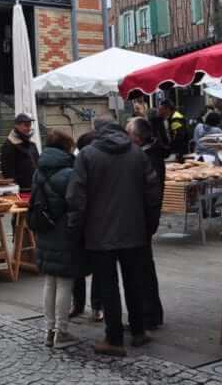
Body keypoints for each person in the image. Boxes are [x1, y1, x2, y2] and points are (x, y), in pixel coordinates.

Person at [67, 118, 161, 357]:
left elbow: (76, 198)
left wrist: (75, 232)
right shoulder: (137, 154)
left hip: (99, 234)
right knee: (134, 282)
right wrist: (149, 227)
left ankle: (115, 338)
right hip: (134, 232)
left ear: (97, 132)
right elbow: (152, 194)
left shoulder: (87, 155)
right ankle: (138, 331)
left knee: (108, 286)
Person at [31, 129, 80, 348]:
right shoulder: (69, 173)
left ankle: (48, 330)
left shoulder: (38, 171)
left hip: (44, 230)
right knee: (65, 281)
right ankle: (62, 332)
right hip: (63, 232)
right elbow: (76, 204)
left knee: (50, 280)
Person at [126, 117, 165, 330]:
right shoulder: (149, 154)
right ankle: (149, 314)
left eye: (128, 134)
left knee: (143, 270)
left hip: (142, 221)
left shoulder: (148, 158)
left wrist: (149, 223)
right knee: (143, 268)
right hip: (141, 220)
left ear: (137, 138)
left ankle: (149, 315)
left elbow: (151, 195)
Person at [71, 131, 102, 323]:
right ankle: (87, 305)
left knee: (94, 268)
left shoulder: (97, 164)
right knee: (82, 267)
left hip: (94, 223)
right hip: (88, 222)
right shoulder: (77, 165)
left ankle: (92, 305)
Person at [1, 113, 40, 193]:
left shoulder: (32, 143)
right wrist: (15, 189)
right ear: (17, 126)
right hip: (21, 190)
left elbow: (38, 164)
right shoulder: (9, 145)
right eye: (25, 125)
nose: (28, 128)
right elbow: (7, 172)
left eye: (29, 125)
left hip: (35, 187)